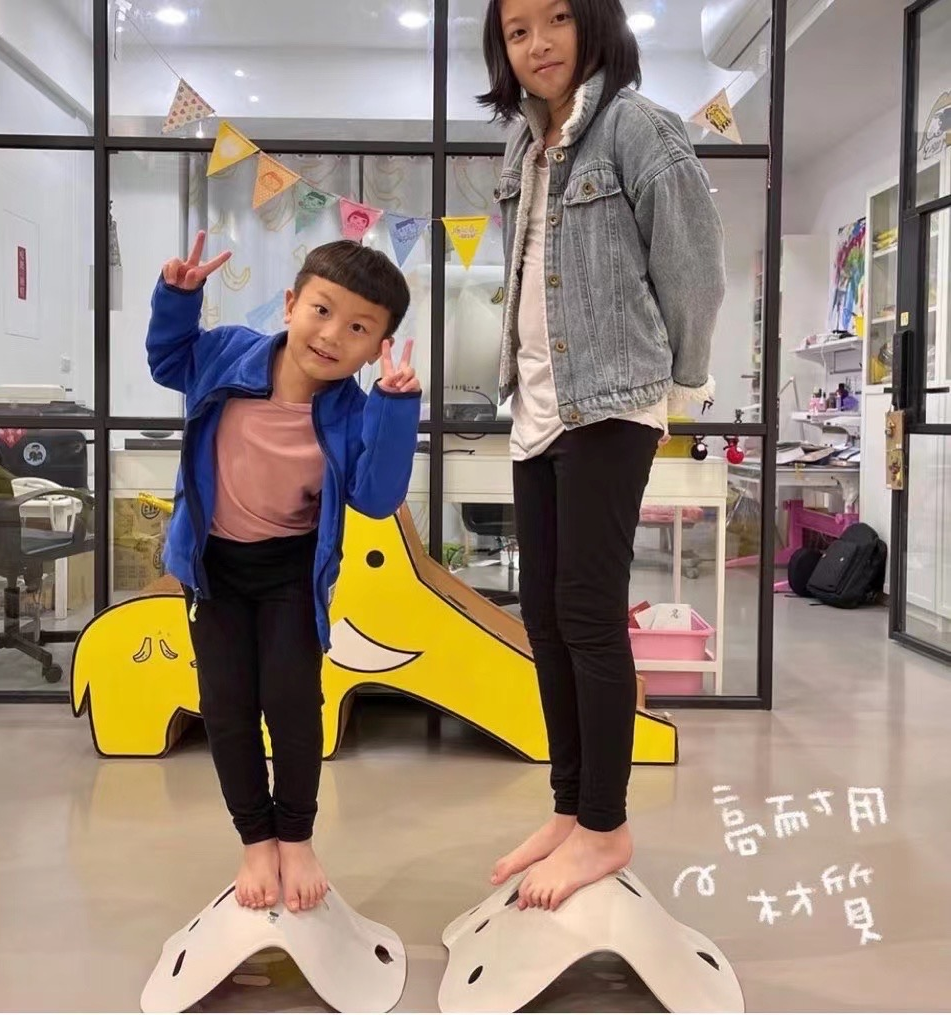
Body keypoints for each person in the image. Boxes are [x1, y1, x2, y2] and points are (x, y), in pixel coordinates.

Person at [478, 0, 726, 910]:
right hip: (538, 406)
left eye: (556, 19)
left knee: (587, 612)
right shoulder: (524, 146)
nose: (537, 43)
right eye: (517, 31)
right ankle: (570, 807)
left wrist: (681, 387)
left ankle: (606, 824)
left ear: (595, 24)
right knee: (544, 615)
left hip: (612, 401)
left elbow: (693, 270)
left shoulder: (637, 128)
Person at [146, 234, 421, 914]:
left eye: (358, 328)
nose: (331, 336)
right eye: (322, 311)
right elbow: (167, 360)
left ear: (377, 347)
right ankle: (255, 840)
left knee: (295, 706)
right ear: (292, 303)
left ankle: (295, 837)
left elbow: (375, 497)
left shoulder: (355, 410)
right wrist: (178, 297)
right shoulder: (226, 354)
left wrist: (394, 408)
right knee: (227, 707)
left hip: (291, 571)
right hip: (213, 569)